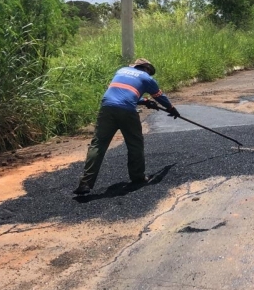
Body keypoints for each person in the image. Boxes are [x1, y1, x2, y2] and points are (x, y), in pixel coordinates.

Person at [73, 58, 179, 195]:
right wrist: (171, 108)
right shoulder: (147, 78)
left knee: (98, 144)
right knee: (135, 143)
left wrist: (145, 101)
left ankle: (85, 183)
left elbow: (122, 93)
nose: (149, 73)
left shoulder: (121, 71)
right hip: (127, 111)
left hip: (107, 108)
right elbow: (160, 96)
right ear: (146, 68)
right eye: (149, 71)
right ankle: (137, 177)